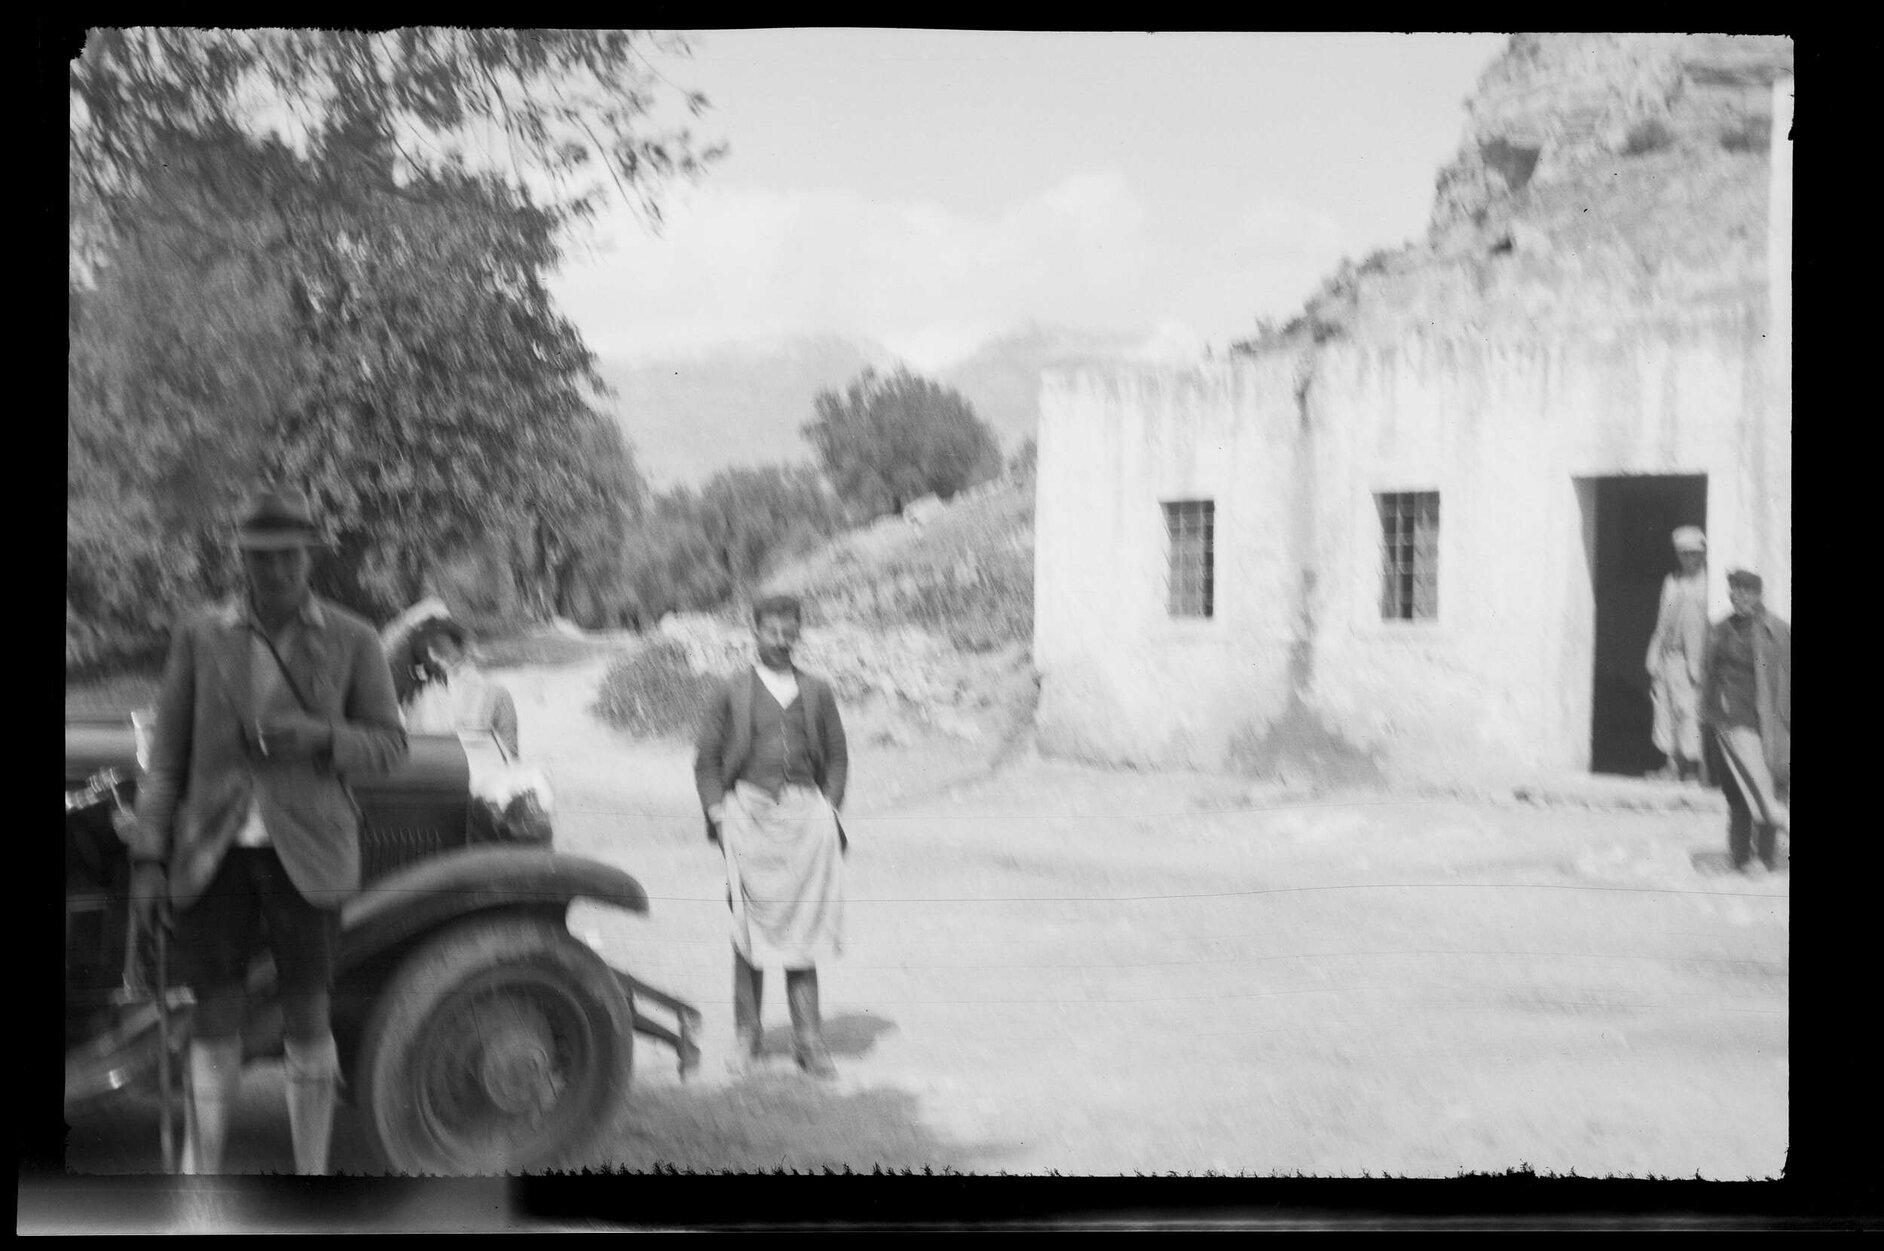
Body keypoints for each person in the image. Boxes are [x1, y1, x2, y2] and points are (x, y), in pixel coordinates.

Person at [127, 484, 409, 1174]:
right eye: (261, 557)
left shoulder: (353, 637)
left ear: (310, 555)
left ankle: (310, 1176)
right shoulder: (200, 634)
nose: (276, 569)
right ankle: (201, 1179)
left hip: (309, 854)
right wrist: (148, 860)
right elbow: (166, 760)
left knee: (308, 1015)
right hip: (210, 853)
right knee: (213, 1017)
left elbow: (391, 745)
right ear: (242, 558)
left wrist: (320, 737)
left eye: (289, 556)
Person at [693, 594, 849, 1079]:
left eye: (789, 633)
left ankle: (809, 1041)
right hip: (748, 818)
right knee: (747, 933)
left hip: (803, 821)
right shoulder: (731, 691)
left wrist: (828, 809)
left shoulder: (817, 691)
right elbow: (707, 761)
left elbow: (838, 757)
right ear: (755, 632)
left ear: (799, 633)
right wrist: (718, 812)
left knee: (803, 931)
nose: (781, 641)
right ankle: (748, 1037)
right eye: (772, 632)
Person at [1700, 569, 1791, 873]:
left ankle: (1763, 857)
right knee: (1736, 792)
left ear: (1758, 594)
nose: (1738, 596)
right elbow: (1709, 676)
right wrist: (1708, 715)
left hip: (1762, 724)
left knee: (1764, 788)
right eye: (1734, 590)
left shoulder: (1777, 631)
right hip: (1725, 723)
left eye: (1746, 591)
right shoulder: (1718, 630)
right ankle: (1739, 856)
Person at [384, 598, 520, 758]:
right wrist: (412, 622)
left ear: (459, 645)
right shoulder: (411, 694)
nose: (431, 656)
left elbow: (510, 760)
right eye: (422, 652)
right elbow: (382, 657)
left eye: (437, 646)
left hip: (477, 771)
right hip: (426, 770)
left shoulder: (496, 695)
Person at [1644, 525, 1710, 782]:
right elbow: (1662, 620)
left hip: (1691, 658)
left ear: (1703, 554)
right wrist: (1654, 653)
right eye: (1684, 554)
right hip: (1668, 655)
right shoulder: (1672, 581)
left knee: (1688, 709)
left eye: (1695, 553)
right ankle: (1672, 764)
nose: (1690, 558)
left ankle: (1692, 767)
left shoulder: (1708, 584)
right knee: (1665, 708)